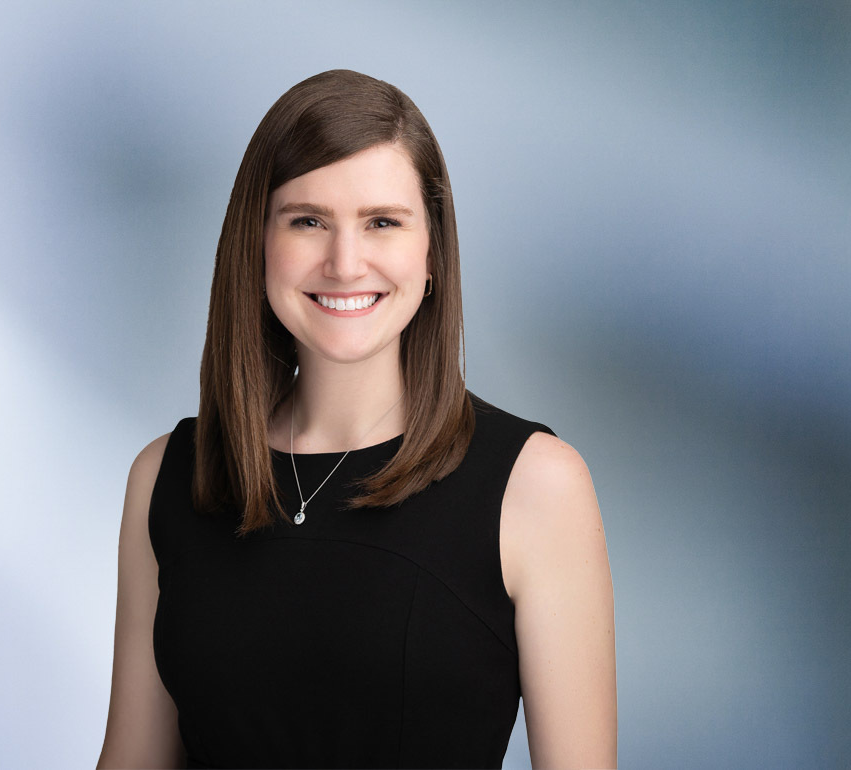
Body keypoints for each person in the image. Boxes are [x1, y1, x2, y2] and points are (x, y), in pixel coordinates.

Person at [97, 69, 616, 769]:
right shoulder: (166, 479)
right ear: (257, 245)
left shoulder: (537, 487)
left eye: (382, 222)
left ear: (431, 253)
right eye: (308, 221)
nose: (345, 262)